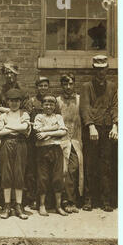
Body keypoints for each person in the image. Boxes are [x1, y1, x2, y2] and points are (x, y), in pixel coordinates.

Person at [80, 55, 118, 212]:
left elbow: (116, 106)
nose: (100, 72)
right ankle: (89, 199)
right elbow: (85, 107)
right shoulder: (86, 87)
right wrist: (90, 126)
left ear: (107, 70)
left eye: (103, 69)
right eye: (97, 69)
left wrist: (115, 126)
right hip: (92, 130)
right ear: (93, 70)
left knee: (106, 165)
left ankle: (106, 200)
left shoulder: (113, 86)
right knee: (90, 164)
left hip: (107, 128)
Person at [0, 88, 30, 220]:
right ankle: (6, 206)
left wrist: (8, 127)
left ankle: (19, 206)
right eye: (11, 101)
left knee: (19, 173)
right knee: (6, 174)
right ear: (7, 102)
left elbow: (24, 128)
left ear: (20, 102)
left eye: (17, 101)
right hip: (6, 145)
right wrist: (16, 127)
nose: (14, 103)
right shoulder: (3, 116)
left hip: (21, 144)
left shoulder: (24, 114)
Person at [33, 94, 68, 217]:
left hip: (56, 149)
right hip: (42, 150)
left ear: (55, 106)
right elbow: (38, 132)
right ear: (42, 105)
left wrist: (46, 132)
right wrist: (54, 130)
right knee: (43, 178)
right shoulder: (38, 116)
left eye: (51, 104)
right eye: (46, 104)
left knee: (58, 177)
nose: (49, 106)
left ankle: (58, 206)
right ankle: (42, 205)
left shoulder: (58, 116)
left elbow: (63, 131)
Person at [56, 74, 83, 213]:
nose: (68, 87)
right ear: (61, 85)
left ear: (74, 84)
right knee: (63, 171)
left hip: (76, 140)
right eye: (65, 84)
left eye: (70, 84)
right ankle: (64, 201)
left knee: (74, 169)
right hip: (61, 141)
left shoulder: (79, 100)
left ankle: (72, 199)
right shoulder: (57, 101)